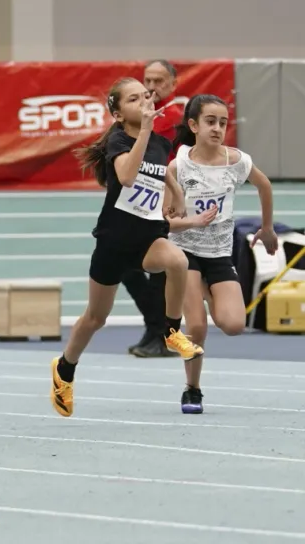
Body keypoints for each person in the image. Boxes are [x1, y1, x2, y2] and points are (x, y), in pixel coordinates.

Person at [50, 77, 210, 418]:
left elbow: (160, 170)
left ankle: (170, 331)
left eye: (145, 96)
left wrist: (176, 191)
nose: (144, 102)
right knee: (96, 318)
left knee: (177, 261)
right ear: (119, 114)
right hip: (114, 241)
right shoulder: (120, 141)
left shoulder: (160, 143)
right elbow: (126, 176)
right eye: (133, 99)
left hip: (147, 239)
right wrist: (145, 133)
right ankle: (65, 368)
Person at [164, 94, 277, 413]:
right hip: (185, 254)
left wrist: (267, 228)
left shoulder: (237, 162)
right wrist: (193, 221)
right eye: (210, 122)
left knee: (233, 325)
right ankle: (192, 389)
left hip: (219, 255)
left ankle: (208, 290)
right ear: (193, 125)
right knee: (197, 327)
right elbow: (166, 222)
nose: (217, 128)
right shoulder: (178, 166)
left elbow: (265, 186)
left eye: (223, 123)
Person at [124, 59, 186, 357]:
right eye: (147, 80)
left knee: (158, 271)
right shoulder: (140, 113)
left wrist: (173, 200)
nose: (151, 86)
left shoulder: (174, 117)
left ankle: (160, 334)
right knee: (127, 266)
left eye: (159, 81)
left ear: (173, 84)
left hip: (165, 200)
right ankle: (156, 331)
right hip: (138, 199)